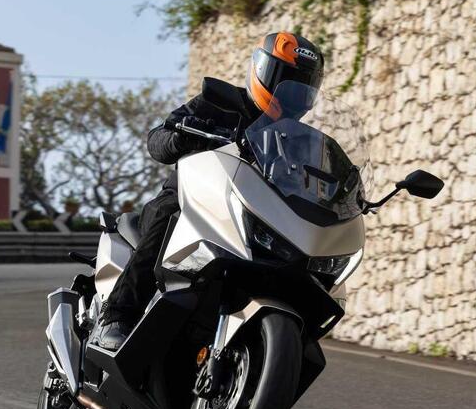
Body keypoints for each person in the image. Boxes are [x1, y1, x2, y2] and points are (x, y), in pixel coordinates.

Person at [91, 32, 325, 351]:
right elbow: (157, 140)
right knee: (169, 214)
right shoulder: (217, 102)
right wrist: (179, 138)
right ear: (261, 70)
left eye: (300, 89)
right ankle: (117, 315)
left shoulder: (300, 139)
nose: (290, 95)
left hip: (249, 214)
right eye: (285, 82)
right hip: (193, 199)